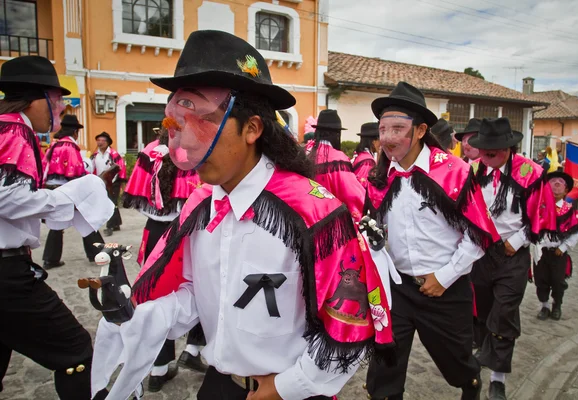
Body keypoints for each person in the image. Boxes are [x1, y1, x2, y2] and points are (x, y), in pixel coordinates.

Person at [90, 30, 394, 400]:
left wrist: (285, 387)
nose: (186, 140)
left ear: (252, 128)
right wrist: (135, 314)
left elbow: (350, 326)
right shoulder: (200, 203)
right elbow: (195, 295)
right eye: (181, 123)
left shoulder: (314, 211)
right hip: (219, 385)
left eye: (203, 121)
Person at [363, 82, 500, 400]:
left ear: (421, 129)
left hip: (446, 290)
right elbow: (376, 230)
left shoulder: (454, 172)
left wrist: (444, 277)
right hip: (396, 289)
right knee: (384, 370)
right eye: (383, 129)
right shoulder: (379, 178)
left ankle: (471, 385)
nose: (388, 138)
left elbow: (478, 236)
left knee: (458, 364)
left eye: (398, 128)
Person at [0, 56, 113, 399]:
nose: (62, 108)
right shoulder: (15, 129)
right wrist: (63, 200)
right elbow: (7, 197)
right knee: (76, 350)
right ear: (38, 99)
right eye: (58, 99)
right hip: (7, 271)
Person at [468, 118, 556, 400]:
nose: (488, 154)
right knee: (482, 313)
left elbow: (541, 215)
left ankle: (498, 379)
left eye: (494, 150)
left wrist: (515, 242)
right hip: (481, 254)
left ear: (508, 148)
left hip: (512, 255)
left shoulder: (530, 173)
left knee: (504, 313)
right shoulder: (473, 171)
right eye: (484, 149)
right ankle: (481, 364)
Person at [122, 126, 207, 392]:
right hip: (188, 230)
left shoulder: (148, 151)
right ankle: (193, 349)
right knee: (203, 287)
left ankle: (158, 367)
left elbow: (138, 199)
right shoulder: (196, 148)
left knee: (155, 295)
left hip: (156, 230)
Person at [42, 114, 105, 268]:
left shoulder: (53, 146)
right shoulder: (70, 148)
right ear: (75, 132)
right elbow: (77, 172)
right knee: (87, 219)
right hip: (69, 190)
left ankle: (51, 259)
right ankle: (99, 254)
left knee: (56, 224)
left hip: (53, 190)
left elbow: (44, 169)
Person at [532, 171, 578, 321]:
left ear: (566, 190)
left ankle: (557, 305)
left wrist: (564, 247)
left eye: (560, 182)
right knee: (540, 279)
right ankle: (544, 305)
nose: (556, 184)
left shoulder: (569, 211)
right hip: (541, 251)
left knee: (557, 280)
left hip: (558, 253)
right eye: (552, 181)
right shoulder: (539, 207)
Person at [306, 109, 366, 221]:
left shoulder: (304, 153)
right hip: (329, 221)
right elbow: (353, 195)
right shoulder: (338, 158)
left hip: (305, 219)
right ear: (336, 134)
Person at [91, 131, 127, 236]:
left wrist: (120, 181)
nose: (100, 142)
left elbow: (121, 167)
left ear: (108, 143)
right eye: (98, 140)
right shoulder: (94, 155)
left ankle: (109, 226)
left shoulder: (113, 154)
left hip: (113, 182)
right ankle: (116, 223)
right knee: (111, 203)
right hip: (100, 182)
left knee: (110, 203)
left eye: (103, 140)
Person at [351, 122, 380, 188]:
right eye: (380, 139)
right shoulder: (367, 162)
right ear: (373, 141)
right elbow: (362, 187)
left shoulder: (360, 155)